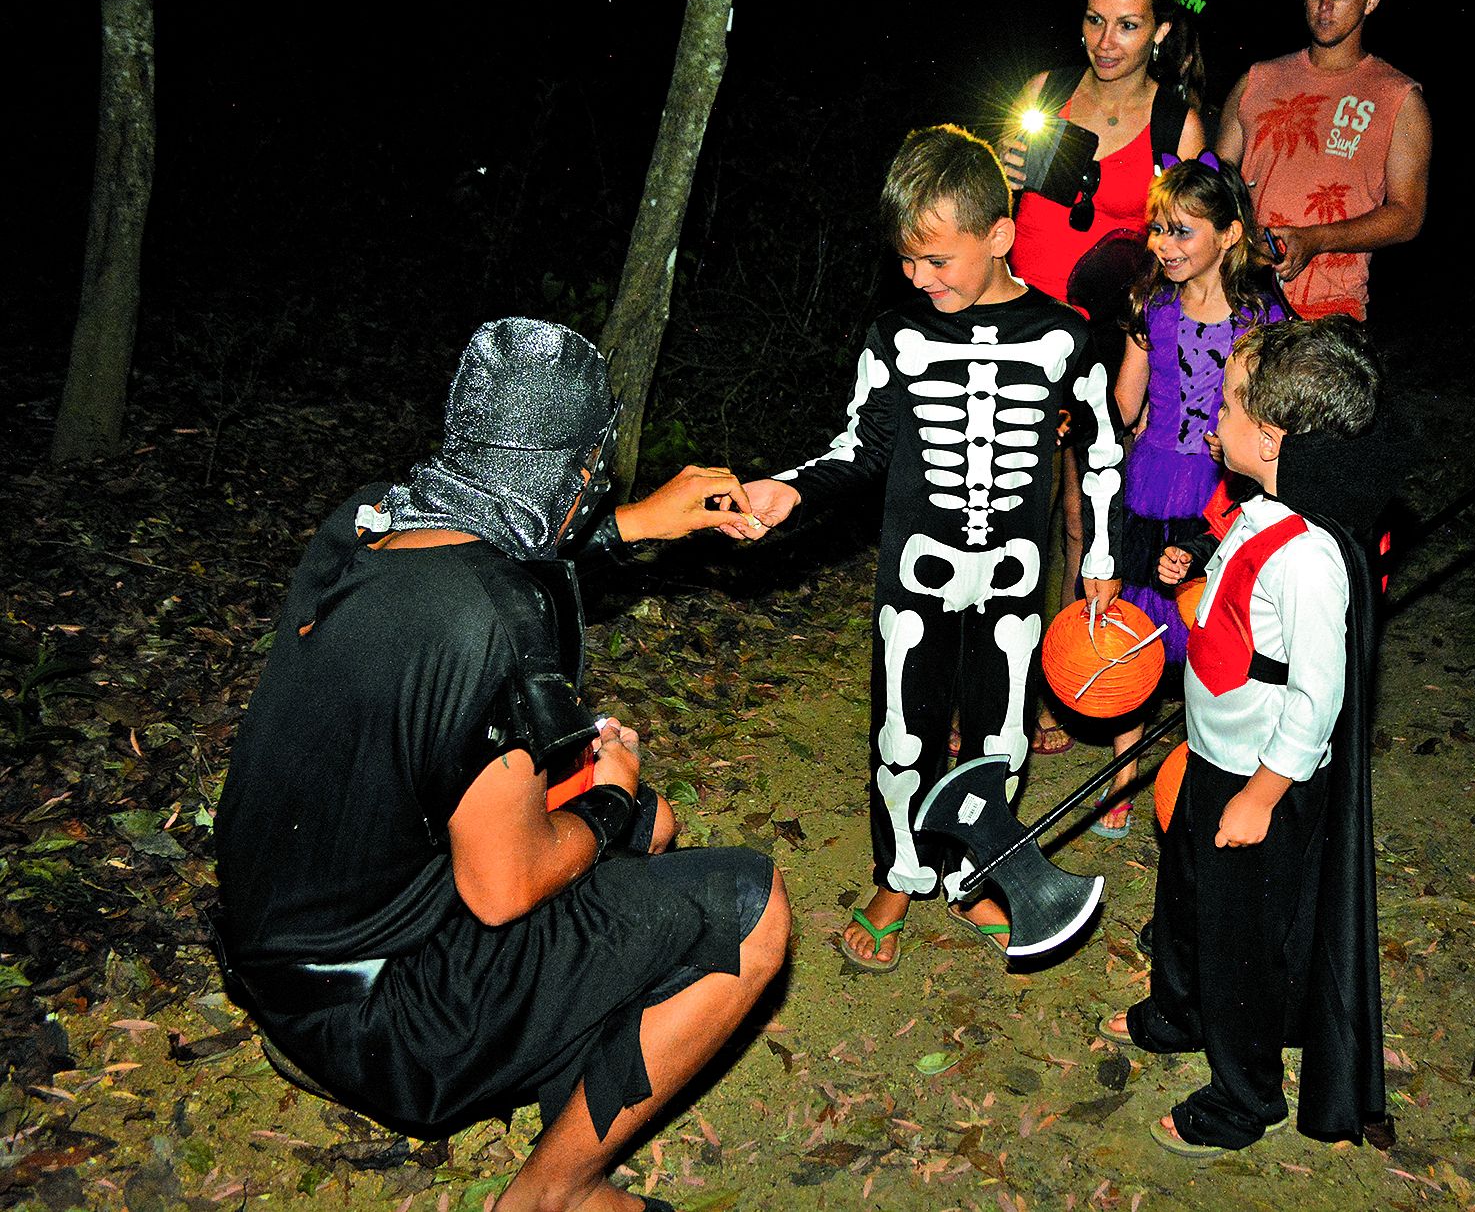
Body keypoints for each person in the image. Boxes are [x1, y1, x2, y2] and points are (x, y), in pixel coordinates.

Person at [214, 318, 791, 1212]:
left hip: (275, 958)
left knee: (655, 828)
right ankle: (551, 1195)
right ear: (581, 472)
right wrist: (608, 800)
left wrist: (636, 524)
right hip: (381, 1023)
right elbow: (502, 888)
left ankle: (564, 1053)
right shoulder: (499, 627)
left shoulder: (366, 522)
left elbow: (497, 539)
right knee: (747, 906)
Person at [736, 126, 1125, 972]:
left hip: (1015, 577)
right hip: (916, 574)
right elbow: (860, 444)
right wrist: (791, 489)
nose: (919, 277)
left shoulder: (1064, 334)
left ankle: (976, 873)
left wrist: (1099, 557)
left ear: (1000, 234)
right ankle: (899, 873)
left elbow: (1101, 450)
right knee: (902, 732)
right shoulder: (896, 335)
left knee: (1002, 736)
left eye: (938, 259)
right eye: (907, 260)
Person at [1102, 318, 1390, 1157]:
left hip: (1261, 778)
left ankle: (1242, 1094)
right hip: (1213, 754)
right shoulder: (1260, 511)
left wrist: (1263, 794)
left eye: (1226, 406)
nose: (1211, 420)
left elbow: (1317, 696)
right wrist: (1197, 560)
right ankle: (1176, 1011)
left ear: (1268, 437)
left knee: (1242, 944)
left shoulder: (1309, 555)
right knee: (1186, 896)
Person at [1003, 0, 1208, 719]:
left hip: (1108, 340)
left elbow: (1185, 253)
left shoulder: (1174, 122)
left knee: (1082, 514)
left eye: (1127, 24)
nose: (1106, 40)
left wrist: (1155, 368)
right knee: (1004, 506)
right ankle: (992, 679)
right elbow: (995, 217)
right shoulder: (1043, 93)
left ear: (1158, 32)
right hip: (1020, 326)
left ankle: (1065, 676)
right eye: (1095, 20)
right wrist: (1002, 171)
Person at [1089, 154, 1287, 838]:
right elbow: (1126, 400)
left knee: (1212, 632)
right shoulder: (1153, 306)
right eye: (1157, 229)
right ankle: (1122, 777)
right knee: (1133, 630)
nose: (1163, 245)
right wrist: (1083, 421)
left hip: (1219, 492)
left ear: (1229, 234)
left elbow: (1270, 412)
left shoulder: (1261, 318)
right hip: (1150, 480)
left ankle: (1212, 774)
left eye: (1181, 231)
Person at [1215, 0, 1432, 323]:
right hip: (1236, 298)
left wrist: (1316, 239)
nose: (1325, 5)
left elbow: (1407, 216)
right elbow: (1212, 185)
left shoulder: (1398, 98)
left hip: (1328, 310)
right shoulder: (1257, 80)